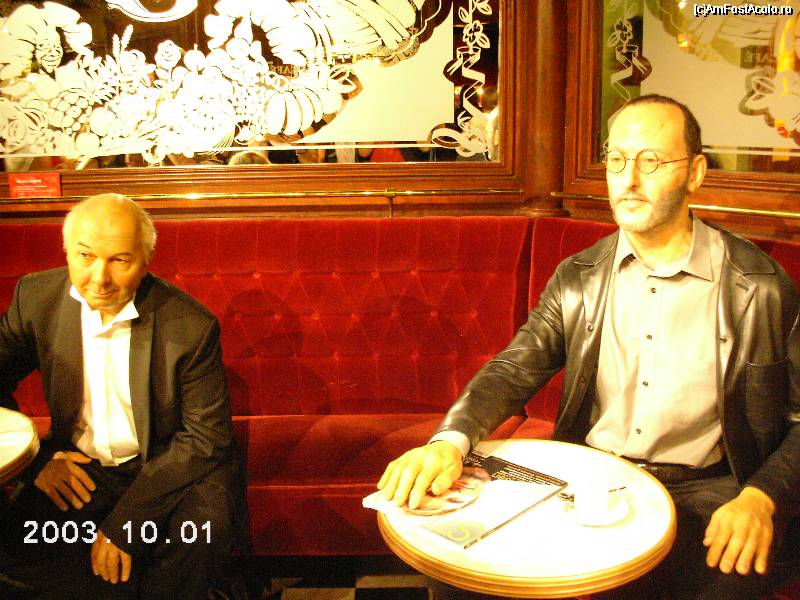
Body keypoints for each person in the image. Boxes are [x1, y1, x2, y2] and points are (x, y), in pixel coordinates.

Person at [377, 94, 800, 600]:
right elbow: (513, 369)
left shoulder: (760, 287)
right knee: (461, 572)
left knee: (723, 580)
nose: (629, 179)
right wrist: (449, 440)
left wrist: (760, 496)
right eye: (617, 159)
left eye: (651, 161)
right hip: (592, 479)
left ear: (695, 173)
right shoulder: (579, 277)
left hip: (707, 488)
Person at [0, 194, 246, 600]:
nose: (99, 277)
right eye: (85, 256)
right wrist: (39, 461)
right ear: (67, 251)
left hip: (168, 468)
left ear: (145, 262)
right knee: (16, 550)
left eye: (119, 260)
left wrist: (125, 526)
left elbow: (207, 437)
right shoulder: (36, 299)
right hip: (82, 468)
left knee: (204, 533)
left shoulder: (190, 325)